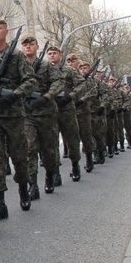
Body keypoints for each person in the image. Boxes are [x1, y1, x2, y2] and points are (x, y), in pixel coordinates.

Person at [0, 17, 36, 220]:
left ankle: (24, 189)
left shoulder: (16, 56)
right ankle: (0, 203)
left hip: (14, 115)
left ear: (6, 32)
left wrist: (14, 95)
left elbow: (30, 80)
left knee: (19, 158)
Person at [20, 34, 64, 198]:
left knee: (49, 149)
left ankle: (50, 175)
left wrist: (47, 97)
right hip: (27, 113)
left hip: (46, 112)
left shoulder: (46, 66)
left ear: (37, 47)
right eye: (25, 45)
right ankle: (33, 185)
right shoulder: (19, 65)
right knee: (30, 148)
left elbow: (59, 82)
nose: (28, 46)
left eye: (31, 44)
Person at [46, 46, 87, 183]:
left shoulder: (69, 70)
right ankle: (55, 172)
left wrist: (71, 97)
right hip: (51, 110)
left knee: (72, 140)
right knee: (51, 143)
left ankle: (75, 165)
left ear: (61, 56)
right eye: (49, 54)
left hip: (67, 109)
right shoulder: (44, 69)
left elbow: (82, 85)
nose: (52, 56)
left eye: (54, 53)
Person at [65, 54, 97, 173]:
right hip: (68, 111)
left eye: (73, 61)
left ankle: (89, 158)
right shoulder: (64, 76)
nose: (71, 63)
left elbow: (93, 92)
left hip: (82, 111)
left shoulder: (86, 78)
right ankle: (75, 165)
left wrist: (81, 101)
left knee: (86, 135)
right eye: (68, 61)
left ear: (78, 62)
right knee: (72, 139)